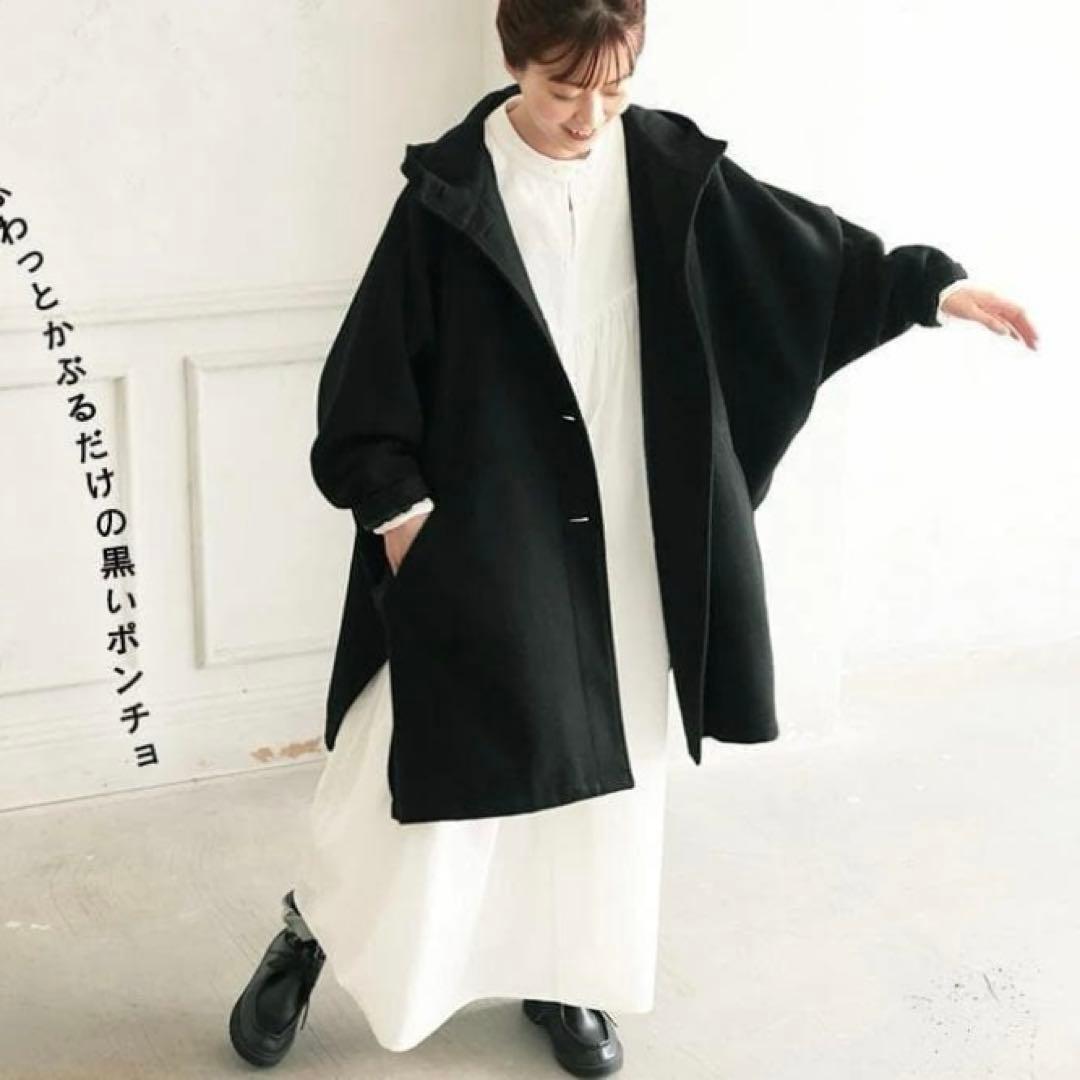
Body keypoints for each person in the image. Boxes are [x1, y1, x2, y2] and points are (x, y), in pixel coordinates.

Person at [228, 0, 1039, 1074]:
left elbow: (808, 259)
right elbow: (366, 383)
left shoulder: (663, 165)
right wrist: (407, 523)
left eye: (613, 89)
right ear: (514, 61)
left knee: (610, 764)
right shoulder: (449, 195)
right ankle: (312, 927)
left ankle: (566, 972)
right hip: (489, 517)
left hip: (631, 519)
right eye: (564, 90)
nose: (588, 117)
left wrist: (931, 287)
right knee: (411, 755)